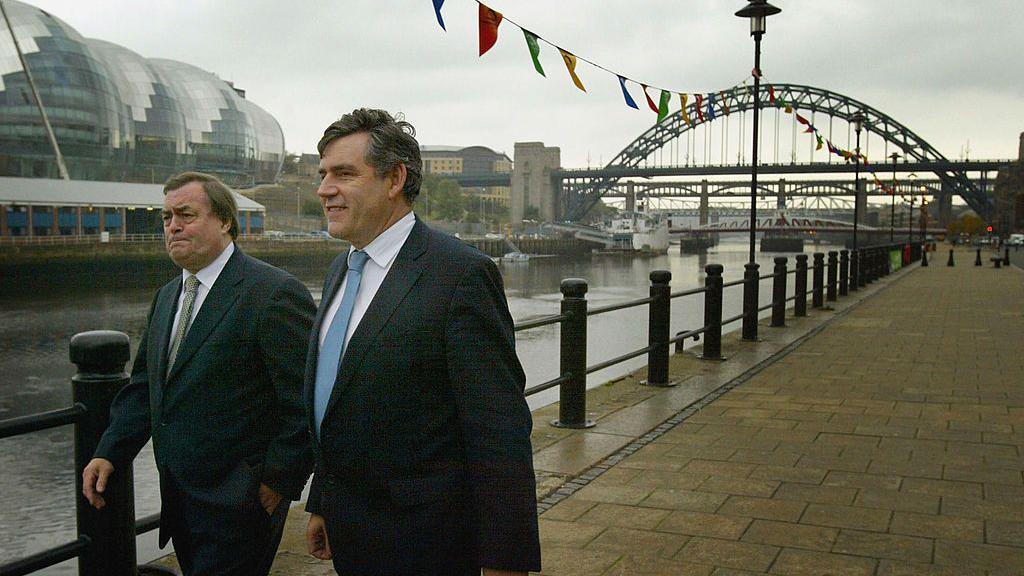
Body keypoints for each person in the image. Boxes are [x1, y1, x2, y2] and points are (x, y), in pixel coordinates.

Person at [304, 108, 541, 575]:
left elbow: (499, 432)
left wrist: (504, 560)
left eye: (344, 173)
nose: (324, 188)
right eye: (323, 174)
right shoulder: (340, 271)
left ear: (395, 179)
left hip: (428, 543)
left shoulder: (460, 275)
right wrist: (325, 500)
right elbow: (339, 399)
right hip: (352, 534)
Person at [81, 172, 315, 576]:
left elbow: (305, 399)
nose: (173, 225)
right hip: (180, 500)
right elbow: (145, 388)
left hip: (241, 502)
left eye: (186, 214)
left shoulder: (273, 293)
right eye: (167, 217)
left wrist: (276, 482)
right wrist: (109, 450)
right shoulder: (168, 295)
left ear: (224, 220)